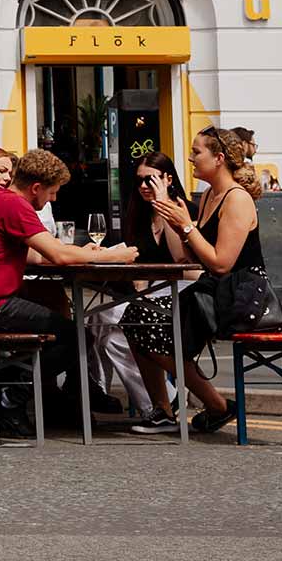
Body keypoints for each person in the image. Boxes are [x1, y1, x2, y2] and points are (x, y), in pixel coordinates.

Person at [0, 149, 138, 429]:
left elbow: (40, 254)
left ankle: (56, 400)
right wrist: (113, 256)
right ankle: (8, 397)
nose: (54, 198)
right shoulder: (15, 206)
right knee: (76, 338)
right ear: (35, 188)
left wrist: (79, 251)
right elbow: (58, 257)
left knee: (69, 332)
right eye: (52, 192)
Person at [123, 128, 267, 435]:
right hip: (211, 288)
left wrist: (186, 226)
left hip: (238, 294)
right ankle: (165, 411)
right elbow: (190, 259)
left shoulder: (236, 199)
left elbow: (221, 262)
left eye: (196, 151)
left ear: (218, 158)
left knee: (143, 318)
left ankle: (215, 405)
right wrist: (173, 218)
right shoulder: (208, 197)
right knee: (136, 317)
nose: (190, 157)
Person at [112, 153, 190, 428]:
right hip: (153, 291)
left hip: (185, 288)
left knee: (128, 322)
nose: (144, 186)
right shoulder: (139, 215)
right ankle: (161, 406)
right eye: (140, 181)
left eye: (151, 180)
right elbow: (139, 263)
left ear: (168, 179)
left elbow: (183, 261)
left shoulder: (181, 208)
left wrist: (165, 206)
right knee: (105, 322)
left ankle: (165, 402)